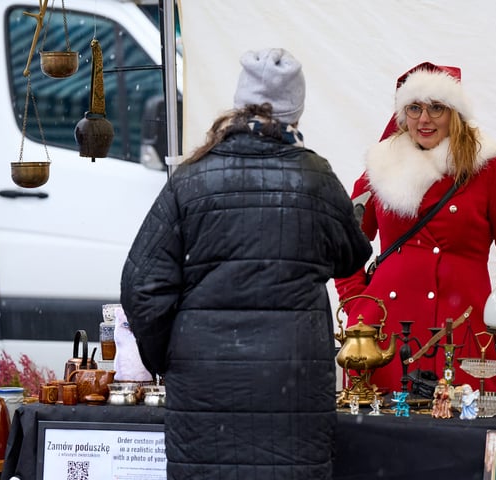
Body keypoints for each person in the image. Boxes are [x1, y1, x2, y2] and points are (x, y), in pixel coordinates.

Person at [120, 48, 372, 480]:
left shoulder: (192, 178)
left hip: (204, 384)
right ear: (296, 111)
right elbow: (352, 256)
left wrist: (169, 356)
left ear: (239, 104)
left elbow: (142, 287)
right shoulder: (315, 177)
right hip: (292, 380)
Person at [334, 62, 496, 394]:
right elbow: (343, 248)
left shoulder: (488, 171)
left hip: (465, 334)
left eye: (436, 107)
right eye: (414, 108)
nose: (424, 119)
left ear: (454, 113)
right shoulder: (379, 168)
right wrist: (358, 308)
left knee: (461, 423)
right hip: (384, 334)